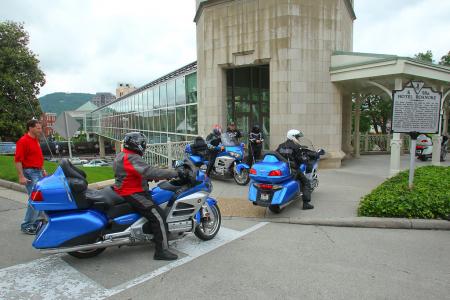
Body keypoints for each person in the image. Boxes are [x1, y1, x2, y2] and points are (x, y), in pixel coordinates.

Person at [113, 132, 180, 261]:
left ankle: (154, 236)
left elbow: (132, 174)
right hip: (133, 193)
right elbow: (149, 171)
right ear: (137, 144)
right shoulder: (132, 157)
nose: (144, 146)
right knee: (159, 217)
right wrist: (174, 173)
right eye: (143, 143)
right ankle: (161, 251)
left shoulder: (122, 155)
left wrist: (147, 179)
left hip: (126, 189)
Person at [15, 119, 47, 234]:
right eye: (38, 128)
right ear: (30, 128)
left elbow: (37, 157)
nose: (40, 130)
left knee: (40, 197)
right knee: (35, 198)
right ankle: (27, 225)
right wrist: (21, 176)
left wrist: (42, 169)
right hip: (29, 172)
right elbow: (18, 160)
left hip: (38, 171)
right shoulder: (23, 141)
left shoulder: (35, 140)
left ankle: (37, 222)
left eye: (40, 128)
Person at [276, 129, 318, 210]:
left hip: (283, 169)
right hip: (293, 169)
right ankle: (306, 204)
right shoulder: (296, 147)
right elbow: (301, 159)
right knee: (306, 182)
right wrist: (306, 159)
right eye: (297, 137)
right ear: (293, 137)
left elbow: (277, 155)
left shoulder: (281, 146)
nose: (298, 139)